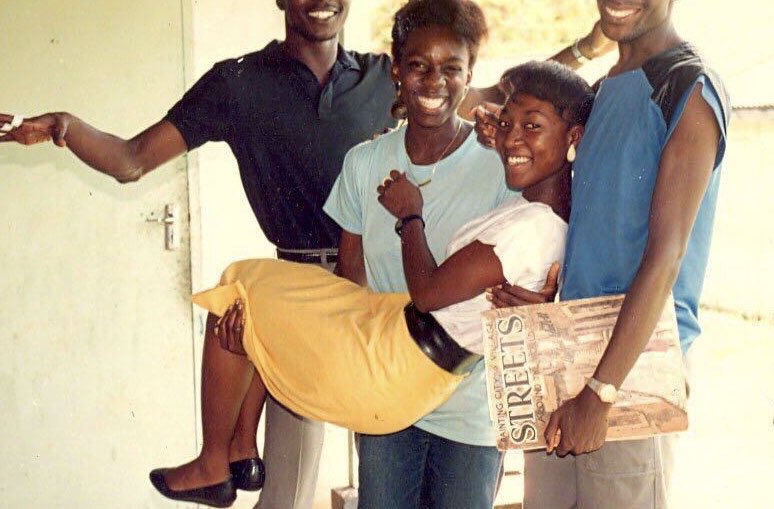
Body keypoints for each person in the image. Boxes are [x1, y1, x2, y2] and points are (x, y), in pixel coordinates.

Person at [0, 1, 396, 507]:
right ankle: (231, 452)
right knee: (285, 497)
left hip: (380, 296)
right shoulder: (238, 84)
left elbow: (464, 105)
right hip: (298, 301)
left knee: (389, 483)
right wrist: (65, 125)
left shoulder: (388, 79)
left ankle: (230, 451)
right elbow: (132, 159)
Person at [148, 58, 592, 508]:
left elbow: (429, 293)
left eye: (531, 127)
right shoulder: (535, 210)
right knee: (247, 293)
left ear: (573, 138)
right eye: (508, 123)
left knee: (239, 288)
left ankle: (215, 461)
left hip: (400, 359)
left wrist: (410, 215)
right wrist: (501, 137)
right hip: (400, 338)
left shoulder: (534, 227)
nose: (513, 137)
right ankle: (238, 453)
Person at [486, 1, 730, 507]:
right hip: (568, 358)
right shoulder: (601, 92)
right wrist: (553, 309)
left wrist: (601, 391)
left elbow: (667, 254)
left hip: (632, 367)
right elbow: (594, 225)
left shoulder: (688, 87)